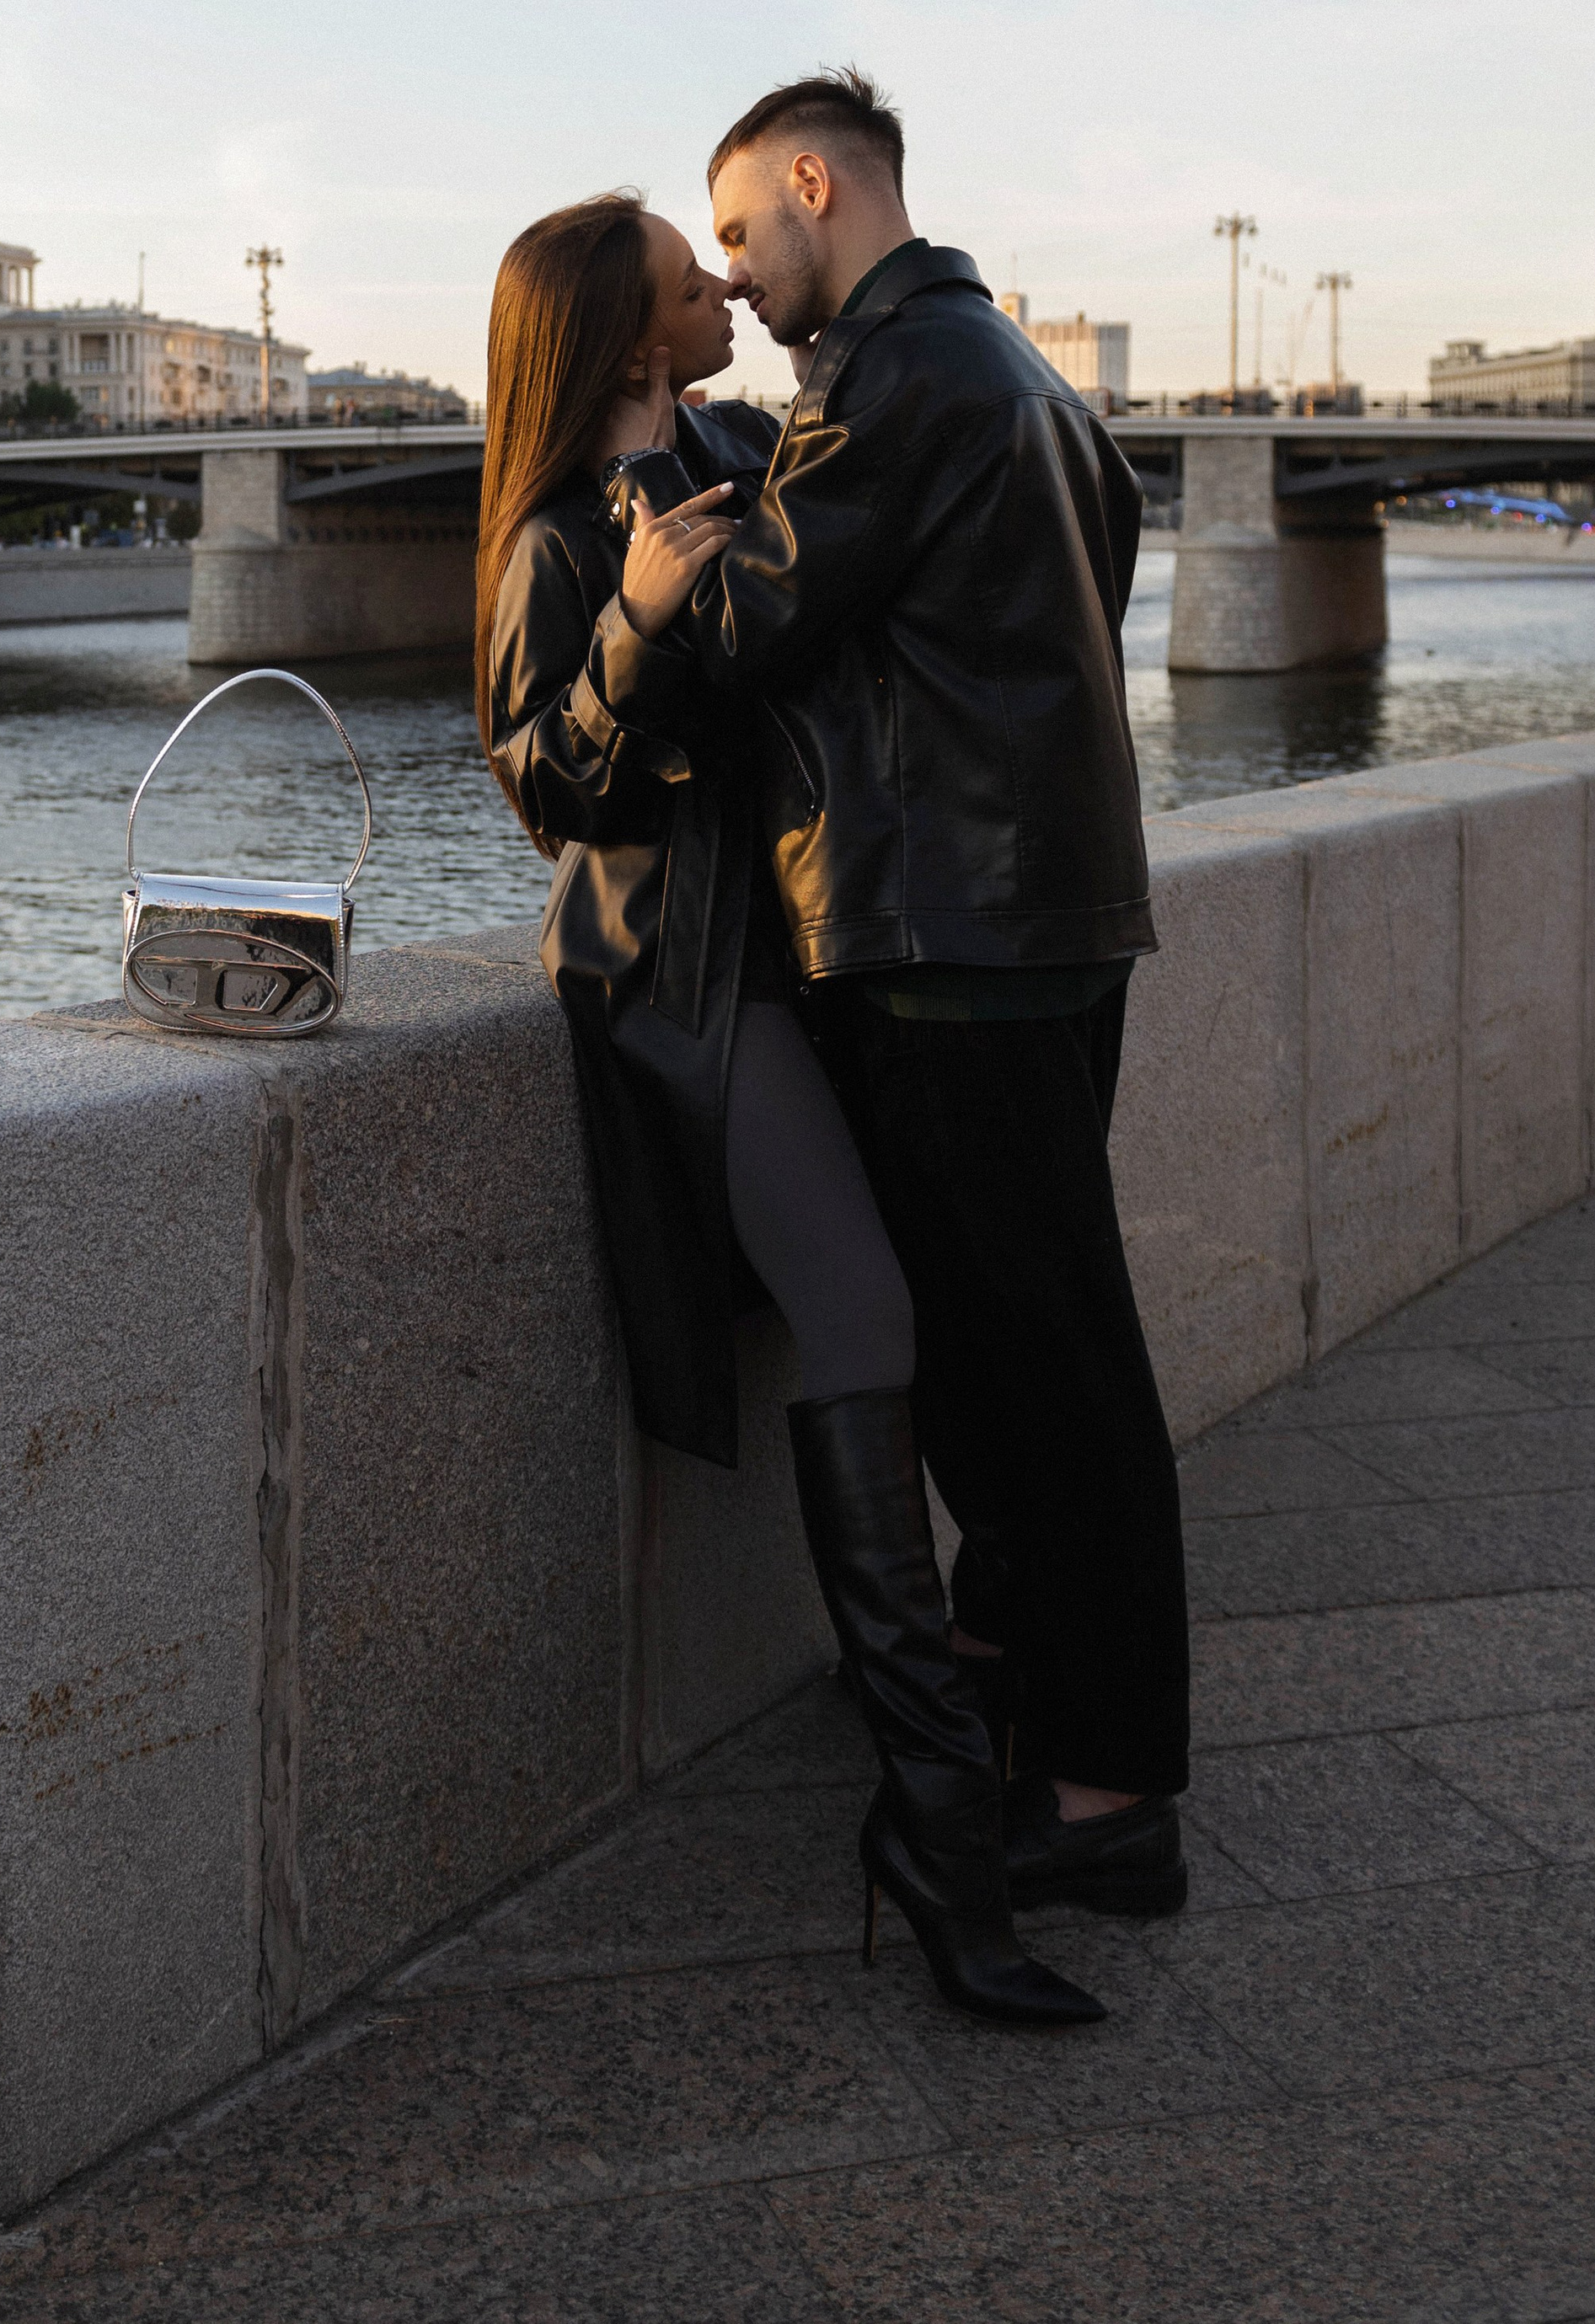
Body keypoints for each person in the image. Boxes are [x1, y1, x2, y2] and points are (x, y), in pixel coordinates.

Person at [478, 188, 1104, 2024]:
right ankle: (934, 1830)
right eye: (690, 284)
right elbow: (549, 793)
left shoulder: (752, 445)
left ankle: (946, 1751)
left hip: (825, 948)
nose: (723, 293)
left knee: (944, 1308)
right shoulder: (544, 538)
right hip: (690, 977)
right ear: (618, 330)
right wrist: (637, 629)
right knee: (864, 1311)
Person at [590, 68, 1190, 1922]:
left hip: (947, 939)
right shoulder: (1023, 375)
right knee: (1012, 1350)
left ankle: (1103, 1798)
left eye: (748, 242)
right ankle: (1018, 1681)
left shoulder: (904, 376)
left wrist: (633, 512)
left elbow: (754, 612)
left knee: (1049, 1365)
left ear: (807, 183)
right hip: (1042, 920)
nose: (746, 289)